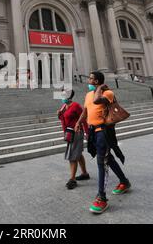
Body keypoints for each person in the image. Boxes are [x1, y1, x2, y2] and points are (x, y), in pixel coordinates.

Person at [75, 71, 131, 214]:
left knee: (102, 162)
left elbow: (97, 101)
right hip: (93, 131)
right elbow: (86, 111)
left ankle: (102, 197)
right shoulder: (88, 95)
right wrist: (78, 122)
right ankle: (124, 182)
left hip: (104, 132)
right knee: (108, 158)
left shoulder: (108, 93)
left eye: (92, 79)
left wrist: (100, 89)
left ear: (98, 81)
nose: (89, 80)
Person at [57, 90, 90, 190]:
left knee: (73, 156)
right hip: (69, 133)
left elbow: (83, 118)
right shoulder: (63, 107)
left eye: (64, 95)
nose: (62, 97)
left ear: (69, 96)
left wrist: (87, 132)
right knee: (78, 154)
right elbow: (64, 120)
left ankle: (72, 179)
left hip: (76, 132)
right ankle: (84, 173)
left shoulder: (75, 106)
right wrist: (60, 115)